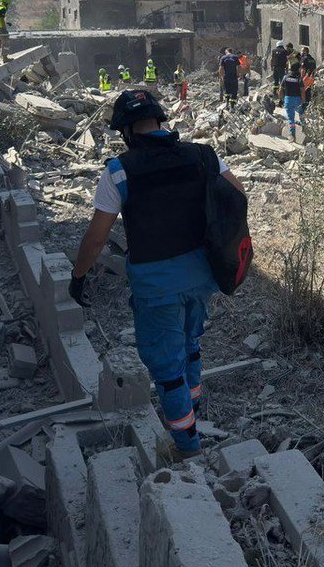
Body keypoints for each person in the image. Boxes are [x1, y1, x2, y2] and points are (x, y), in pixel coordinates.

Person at [68, 90, 246, 458]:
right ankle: (191, 408)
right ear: (161, 122)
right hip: (201, 274)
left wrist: (79, 275)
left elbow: (97, 236)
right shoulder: (204, 155)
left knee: (165, 365)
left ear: (127, 131)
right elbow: (237, 194)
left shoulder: (119, 171)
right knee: (190, 343)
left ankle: (187, 446)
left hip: (157, 285)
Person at [281, 64, 304, 142]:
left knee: (291, 119)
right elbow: (302, 90)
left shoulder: (285, 77)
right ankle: (305, 130)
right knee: (301, 115)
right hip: (297, 99)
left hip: (288, 99)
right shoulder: (299, 78)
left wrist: (282, 99)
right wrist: (303, 101)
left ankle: (292, 135)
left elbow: (281, 89)